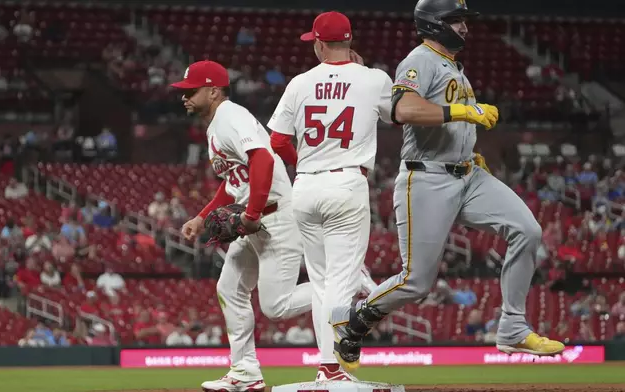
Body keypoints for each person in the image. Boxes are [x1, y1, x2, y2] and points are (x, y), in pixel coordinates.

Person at [330, 0, 564, 374]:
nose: (465, 28)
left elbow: (450, 121)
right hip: (426, 179)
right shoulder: (419, 59)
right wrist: (463, 111)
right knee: (416, 282)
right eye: (456, 21)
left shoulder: (452, 66)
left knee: (527, 230)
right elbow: (403, 110)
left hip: (468, 174)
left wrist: (468, 147)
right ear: (434, 24)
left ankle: (513, 327)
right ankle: (356, 320)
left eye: (464, 21)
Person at [174, 60, 312, 392]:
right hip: (253, 221)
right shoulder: (215, 126)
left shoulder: (231, 116)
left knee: (276, 306)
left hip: (274, 217)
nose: (184, 97)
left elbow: (263, 159)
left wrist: (250, 215)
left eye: (191, 91)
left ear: (213, 90)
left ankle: (346, 286)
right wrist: (201, 216)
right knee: (229, 289)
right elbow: (234, 181)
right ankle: (245, 371)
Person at [268, 11, 389, 381]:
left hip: (305, 184)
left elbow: (277, 141)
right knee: (342, 280)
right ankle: (334, 364)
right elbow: (397, 115)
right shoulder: (374, 79)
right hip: (346, 183)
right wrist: (365, 74)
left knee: (321, 281)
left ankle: (328, 365)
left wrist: (303, 161)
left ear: (320, 44)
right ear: (349, 42)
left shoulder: (300, 82)